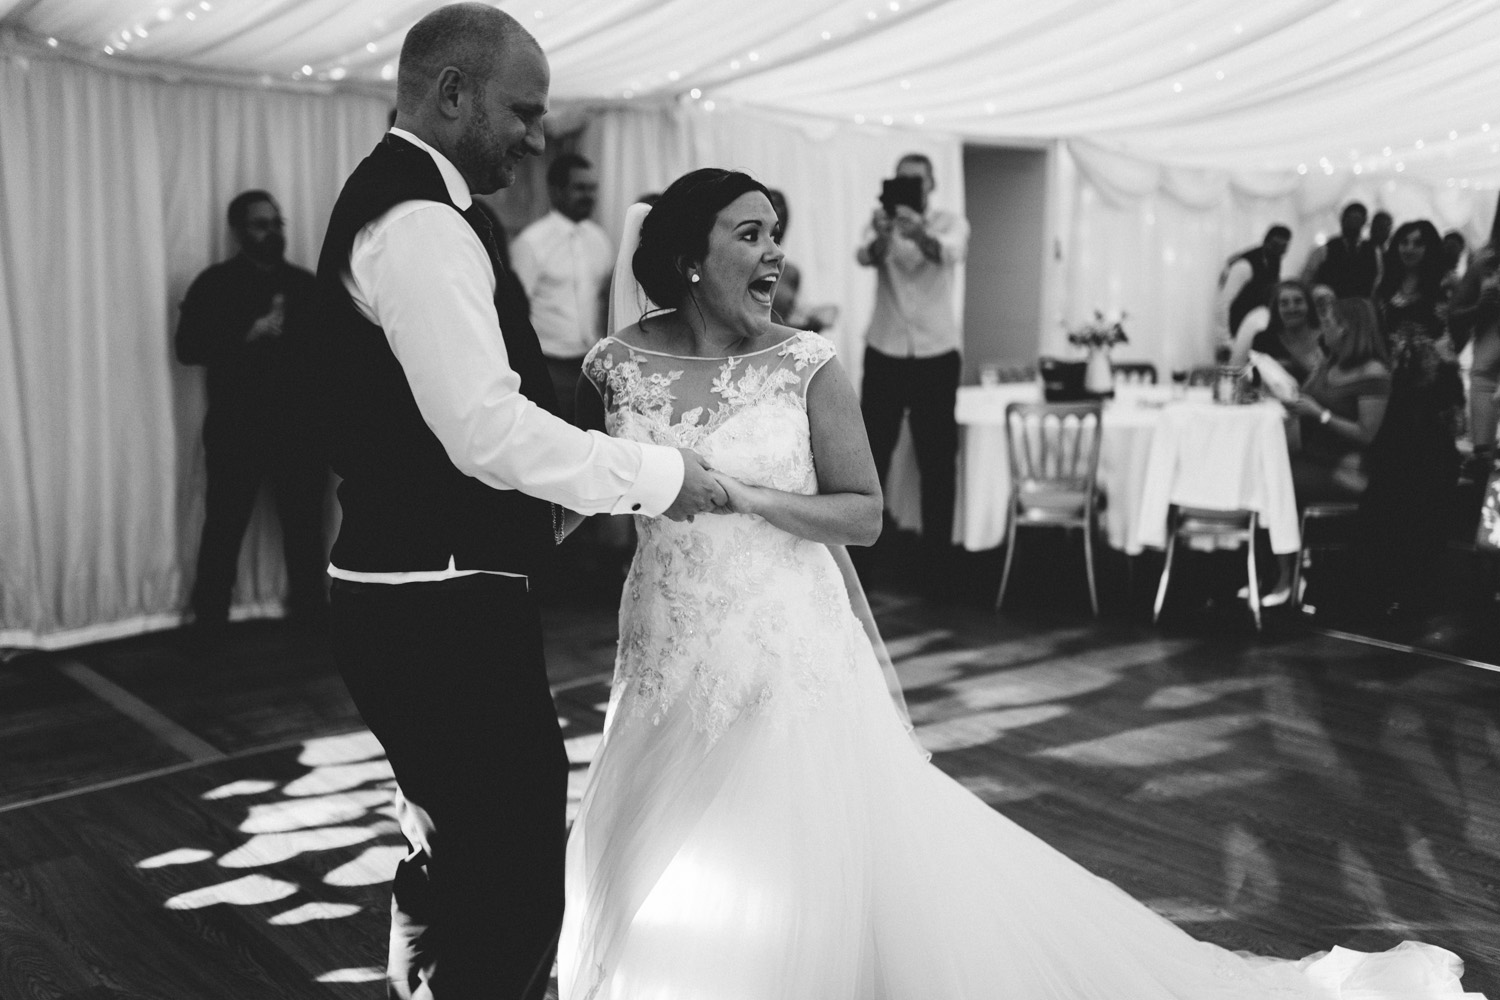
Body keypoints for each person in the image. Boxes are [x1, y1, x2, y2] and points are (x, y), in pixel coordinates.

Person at [557, 167, 1482, 1000]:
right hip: (667, 637)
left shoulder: (806, 363)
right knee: (654, 838)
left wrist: (737, 494)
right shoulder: (618, 363)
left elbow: (863, 513)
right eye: (749, 234)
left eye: (775, 233)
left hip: (781, 641)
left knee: (788, 848)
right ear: (686, 254)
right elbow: (593, 484)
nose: (775, 253)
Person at [312, 6, 725, 998]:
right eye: (524, 111)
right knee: (515, 870)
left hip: (424, 585)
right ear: (451, 93)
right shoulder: (417, 223)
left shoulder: (431, 208)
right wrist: (655, 479)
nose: (539, 137)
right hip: (431, 603)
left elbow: (447, 432)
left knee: (455, 840)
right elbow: (485, 433)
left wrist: (570, 496)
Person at [175, 190, 327, 634]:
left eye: (278, 222)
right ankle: (209, 625)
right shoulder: (215, 283)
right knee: (224, 528)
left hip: (299, 429)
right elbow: (187, 348)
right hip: (237, 427)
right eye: (262, 224)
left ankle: (313, 622)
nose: (274, 231)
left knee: (304, 531)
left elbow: (327, 353)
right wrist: (247, 332)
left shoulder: (304, 285)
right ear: (239, 231)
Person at [855, 152, 969, 590]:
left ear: (932, 184)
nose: (908, 188)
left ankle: (938, 571)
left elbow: (947, 253)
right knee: (871, 458)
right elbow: (865, 256)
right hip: (885, 350)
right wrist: (885, 232)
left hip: (937, 354)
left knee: (938, 461)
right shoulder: (878, 221)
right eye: (901, 180)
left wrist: (916, 229)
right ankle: (864, 566)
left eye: (916, 181)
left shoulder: (949, 222)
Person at [1365, 219, 1465, 617]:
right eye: (1403, 242)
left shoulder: (1444, 286)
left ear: (1430, 248)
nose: (1409, 249)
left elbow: (1453, 340)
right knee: (1390, 489)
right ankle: (1385, 583)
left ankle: (1419, 587)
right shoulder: (1385, 288)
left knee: (1423, 492)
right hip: (1391, 396)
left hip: (1429, 398)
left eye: (1417, 243)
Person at [1272, 298, 1391, 600]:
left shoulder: (1373, 373)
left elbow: (1367, 434)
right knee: (1266, 471)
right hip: (1314, 457)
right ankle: (1275, 570)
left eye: (1327, 322)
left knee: (1275, 481)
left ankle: (1287, 577)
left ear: (1346, 328)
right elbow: (1306, 396)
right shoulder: (1331, 362)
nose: (1322, 327)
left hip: (1346, 469)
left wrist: (1319, 414)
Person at [511, 151, 615, 423]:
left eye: (592, 188)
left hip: (592, 364)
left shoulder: (599, 239)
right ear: (556, 191)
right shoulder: (531, 243)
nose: (588, 196)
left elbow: (605, 299)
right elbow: (514, 313)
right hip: (549, 364)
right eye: (580, 188)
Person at [1448, 244, 1500, 477]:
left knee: (1482, 377)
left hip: (1487, 353)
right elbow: (1455, 312)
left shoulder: (1487, 263)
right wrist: (1481, 307)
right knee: (1482, 378)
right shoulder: (1486, 264)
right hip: (1488, 344)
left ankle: (1482, 455)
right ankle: (1482, 455)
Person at [766, 188, 839, 332]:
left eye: (783, 213)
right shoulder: (746, 267)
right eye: (774, 209)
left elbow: (790, 315)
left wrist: (812, 320)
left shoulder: (791, 272)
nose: (779, 216)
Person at [1228, 278, 1324, 383]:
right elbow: (1251, 380)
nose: (1292, 308)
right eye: (1284, 303)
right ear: (1276, 309)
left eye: (1298, 301)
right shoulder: (1264, 340)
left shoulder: (1326, 339)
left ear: (1309, 305)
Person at [1217, 224, 1291, 342]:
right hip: (1237, 332)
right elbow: (1223, 303)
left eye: (1283, 247)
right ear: (1266, 241)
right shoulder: (1244, 265)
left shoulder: (1274, 261)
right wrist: (1225, 340)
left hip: (1256, 330)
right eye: (1276, 245)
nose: (1280, 252)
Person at [1301, 202, 1379, 299]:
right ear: (1342, 220)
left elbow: (1377, 281)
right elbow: (1306, 279)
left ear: (1364, 222)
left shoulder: (1373, 251)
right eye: (1349, 219)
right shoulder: (1324, 250)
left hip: (1361, 306)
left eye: (1357, 219)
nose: (1352, 223)